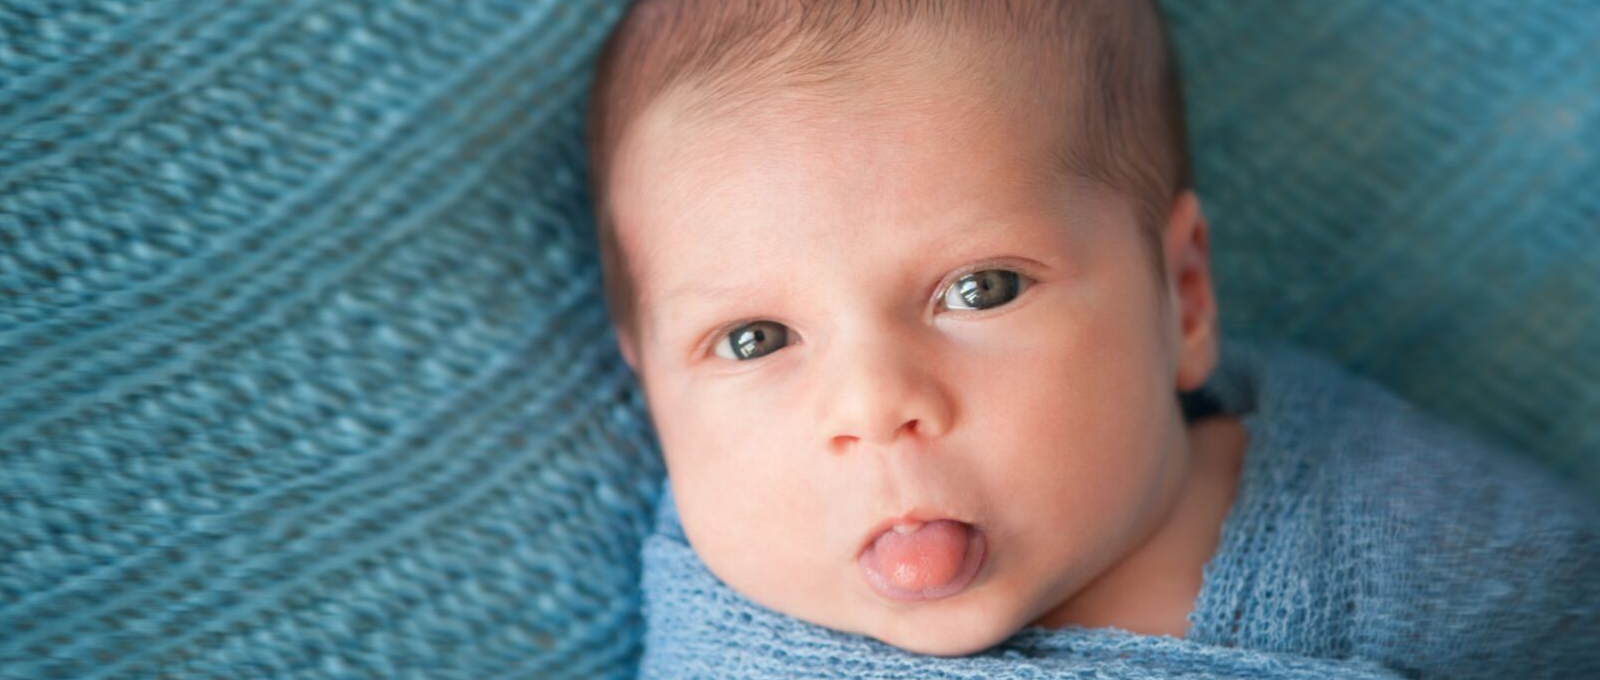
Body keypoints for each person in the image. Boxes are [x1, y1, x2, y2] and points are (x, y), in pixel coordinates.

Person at [581, 0, 1600, 675]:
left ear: (1183, 295)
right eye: (755, 338)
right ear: (652, 394)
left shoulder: (1382, 518)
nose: (872, 403)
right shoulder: (728, 638)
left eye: (978, 288)